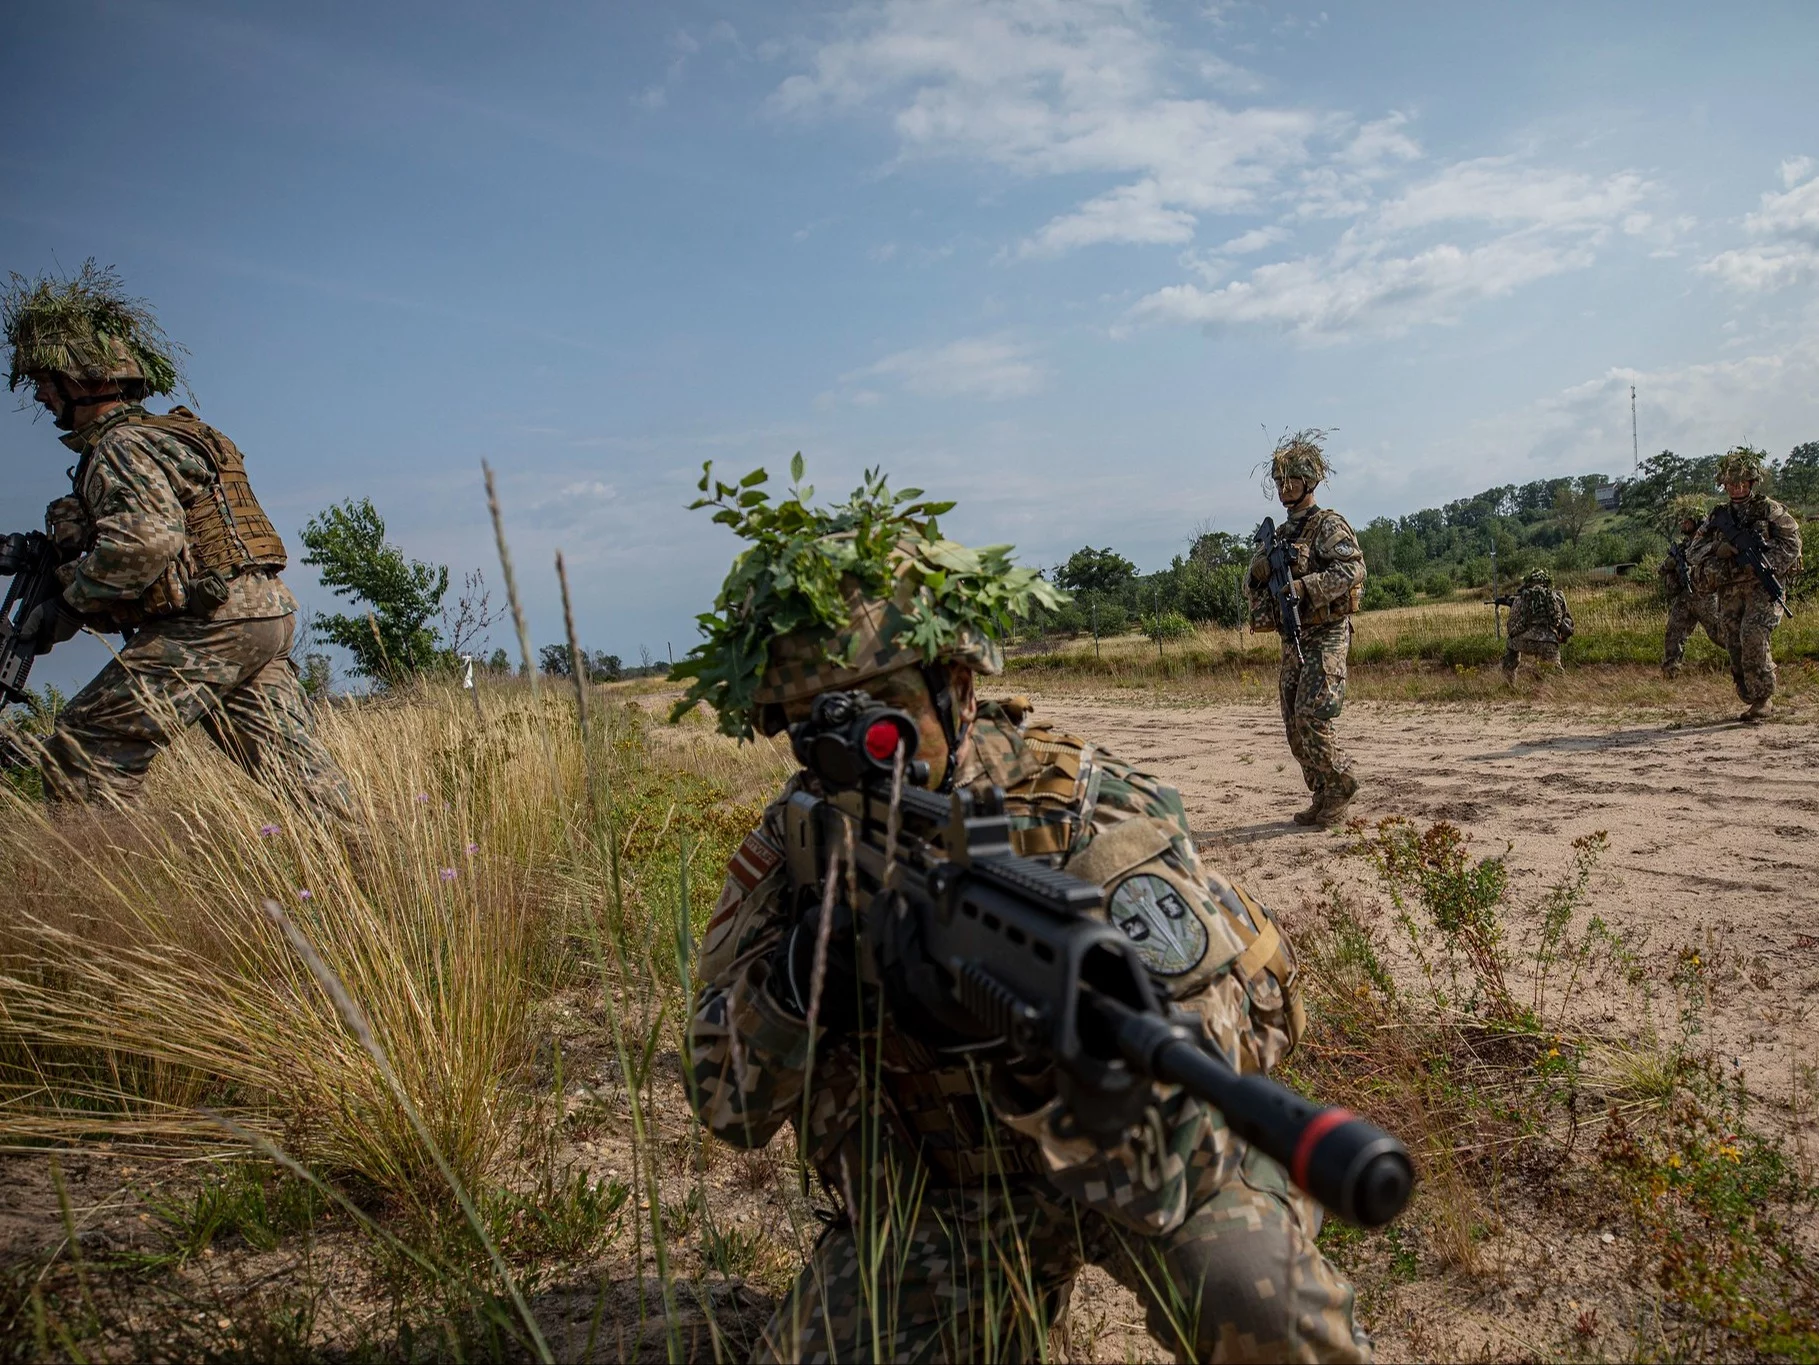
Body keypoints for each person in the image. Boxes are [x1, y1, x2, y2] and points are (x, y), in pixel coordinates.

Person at [676, 465, 1371, 1363]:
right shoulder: (805, 844)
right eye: (814, 723)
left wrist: (1049, 1054)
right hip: (947, 1206)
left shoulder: (1086, 810)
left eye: (884, 712)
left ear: (957, 686)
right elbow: (722, 1103)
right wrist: (803, 976)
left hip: (1144, 1175)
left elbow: (1221, 1061)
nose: (850, 749)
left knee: (1260, 1301)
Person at [2, 262, 352, 818]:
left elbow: (144, 544)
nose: (40, 393)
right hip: (260, 614)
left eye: (47, 379)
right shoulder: (173, 434)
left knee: (83, 747)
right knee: (297, 775)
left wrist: (67, 603)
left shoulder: (121, 447)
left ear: (87, 379)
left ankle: (95, 893)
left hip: (209, 623)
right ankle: (373, 877)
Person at [1246, 431, 1365, 828]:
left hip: (1326, 634)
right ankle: (1322, 793)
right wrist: (1259, 569)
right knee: (1292, 722)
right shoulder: (1280, 535)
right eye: (1279, 481)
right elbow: (1253, 581)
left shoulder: (1328, 525)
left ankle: (1342, 782)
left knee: (1313, 715)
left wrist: (1305, 586)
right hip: (1293, 637)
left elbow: (1353, 569)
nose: (1284, 487)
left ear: (1309, 481)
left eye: (1291, 480)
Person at [1687, 446, 1803, 723]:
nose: (1736, 488)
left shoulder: (1768, 510)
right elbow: (1693, 551)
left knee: (1752, 634)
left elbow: (1792, 543)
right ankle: (1749, 693)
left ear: (1752, 483)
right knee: (1734, 641)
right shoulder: (1718, 517)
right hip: (1730, 590)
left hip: (1763, 586)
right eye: (1731, 484)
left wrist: (1763, 563)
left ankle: (1763, 698)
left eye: (1741, 483)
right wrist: (1719, 548)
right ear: (1724, 485)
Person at [1659, 493, 1723, 679]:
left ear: (1697, 521)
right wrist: (1669, 564)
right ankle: (1671, 671)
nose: (1683, 524)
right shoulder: (1681, 547)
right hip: (1685, 598)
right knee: (1674, 633)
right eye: (1682, 521)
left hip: (1705, 595)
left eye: (1687, 521)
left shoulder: (1708, 543)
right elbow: (1662, 569)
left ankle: (1744, 661)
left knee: (1719, 634)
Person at [1500, 568, 1572, 685]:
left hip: (1523, 643)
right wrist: (1561, 638)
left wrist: (1514, 635)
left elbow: (1511, 624)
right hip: (1549, 642)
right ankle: (1561, 690)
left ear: (1528, 582)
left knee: (1511, 651)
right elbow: (1567, 621)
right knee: (1554, 667)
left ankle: (1509, 684)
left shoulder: (1520, 598)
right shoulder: (1557, 596)